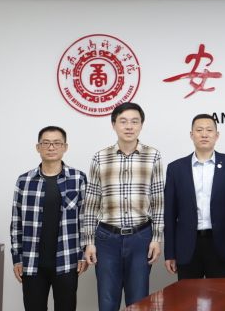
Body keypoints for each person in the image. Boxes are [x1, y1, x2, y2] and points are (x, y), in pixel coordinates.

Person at [82, 102, 164, 311]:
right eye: (123, 121)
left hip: (141, 237)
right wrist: (89, 242)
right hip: (106, 239)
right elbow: (91, 203)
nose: (129, 126)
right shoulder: (100, 157)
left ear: (141, 125)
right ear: (114, 125)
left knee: (138, 301)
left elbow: (158, 201)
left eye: (134, 121)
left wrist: (156, 238)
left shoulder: (153, 155)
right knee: (107, 301)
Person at [10, 126, 88, 311]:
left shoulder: (78, 178)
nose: (51, 147)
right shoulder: (24, 181)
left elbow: (85, 220)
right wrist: (17, 258)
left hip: (67, 259)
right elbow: (16, 223)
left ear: (65, 147)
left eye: (56, 143)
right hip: (32, 262)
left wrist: (82, 254)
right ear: (38, 147)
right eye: (46, 143)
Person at [164, 114, 225, 279]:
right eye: (199, 130)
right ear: (191, 134)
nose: (204, 134)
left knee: (221, 295)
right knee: (188, 295)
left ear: (217, 135)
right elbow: (169, 214)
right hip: (187, 245)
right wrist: (169, 252)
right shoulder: (176, 168)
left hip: (221, 245)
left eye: (209, 130)